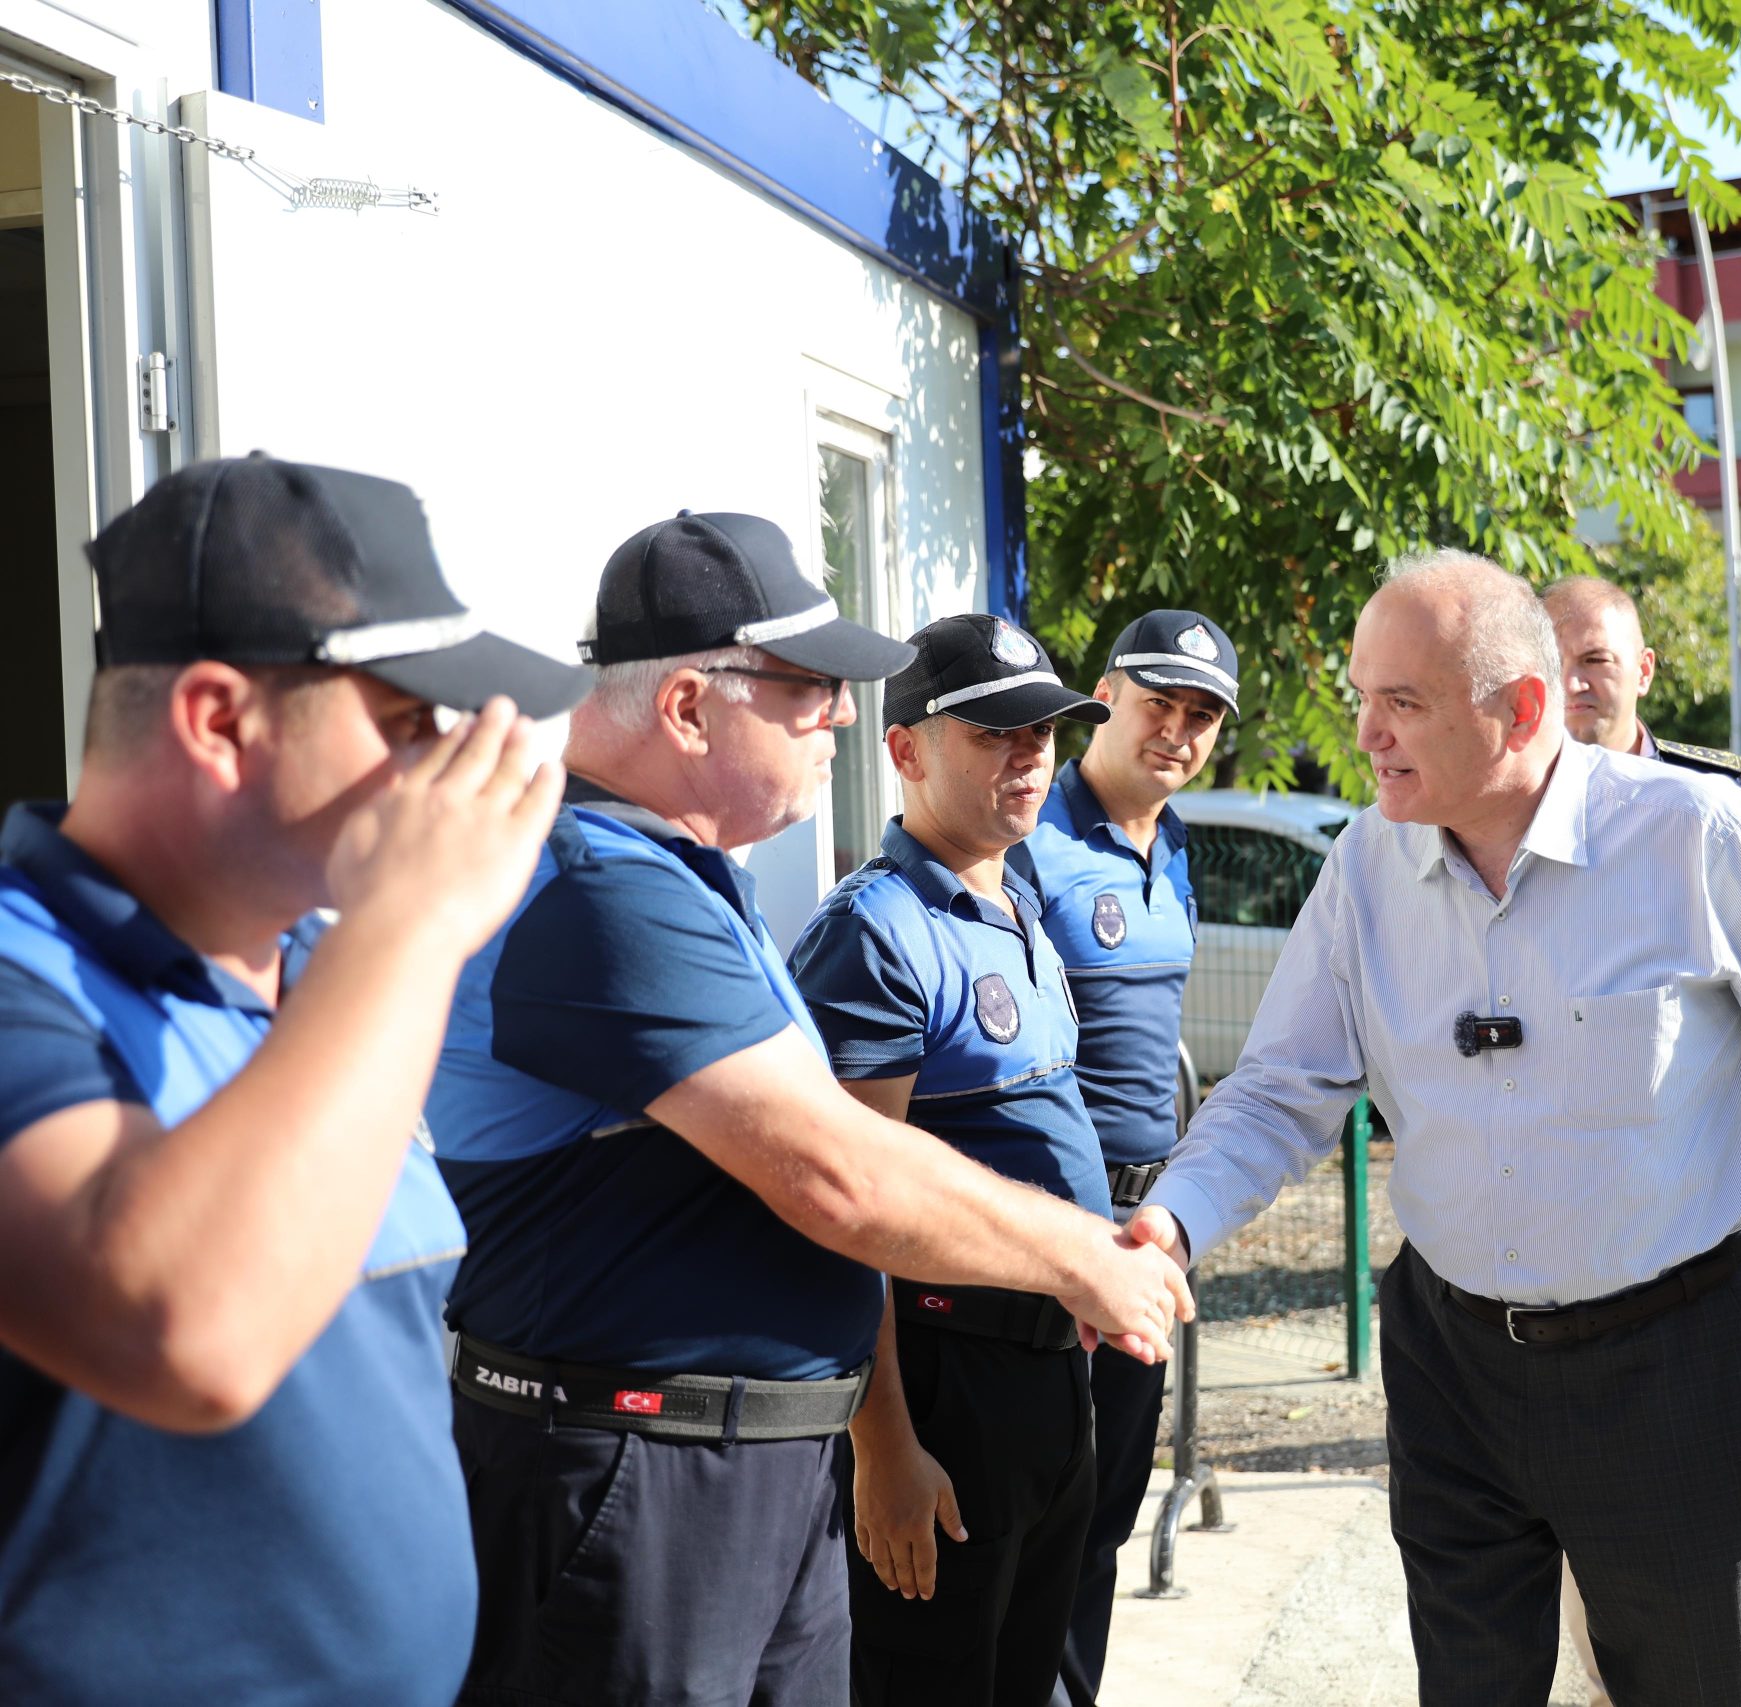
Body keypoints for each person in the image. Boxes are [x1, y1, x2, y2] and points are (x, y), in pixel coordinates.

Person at [1130, 550, 1741, 1705]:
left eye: (1401, 703)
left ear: (1520, 710)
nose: (1364, 734)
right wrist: (1170, 1223)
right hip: (1452, 1368)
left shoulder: (1692, 835)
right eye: (1360, 695)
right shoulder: (1366, 862)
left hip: (1674, 1369)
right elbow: (1278, 1090)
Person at [427, 519, 1191, 1707]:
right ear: (688, 706)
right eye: (808, 688)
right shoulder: (600, 886)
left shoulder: (674, 872)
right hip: (638, 1469)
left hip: (724, 1462)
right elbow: (840, 1173)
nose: (837, 716)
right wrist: (1083, 1258)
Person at [0, 455, 586, 1704]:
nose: (442, 771)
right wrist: (408, 931)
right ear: (219, 721)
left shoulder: (329, 972)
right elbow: (183, 1334)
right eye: (404, 721)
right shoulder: (24, 972)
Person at [790, 613, 1120, 1707]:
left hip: (1044, 1374)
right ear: (904, 750)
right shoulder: (876, 931)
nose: (1029, 756)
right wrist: (885, 1446)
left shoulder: (1015, 897)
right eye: (995, 731)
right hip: (942, 1387)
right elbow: (843, 1214)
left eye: (1046, 734)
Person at [1015, 609, 1238, 1707]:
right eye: (1160, 703)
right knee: (1030, 1510)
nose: (1178, 732)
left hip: (1151, 1224)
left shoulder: (1176, 839)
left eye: (1201, 716)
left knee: (1103, 1511)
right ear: (1105, 695)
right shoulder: (1031, 832)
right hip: (1050, 1224)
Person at [1541, 573, 1741, 1706]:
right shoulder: (1492, 811)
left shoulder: (1706, 809)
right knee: (1573, 1605)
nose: (1576, 684)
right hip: (1542, 1263)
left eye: (1598, 661)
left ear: (1643, 673)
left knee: (1690, 1599)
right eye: (1555, 660)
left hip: (1684, 1263)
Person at [1541, 574, 1741, 777]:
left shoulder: (1705, 790)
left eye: (1595, 660)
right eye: (1551, 662)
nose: (1570, 684)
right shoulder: (1512, 793)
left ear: (1643, 671)